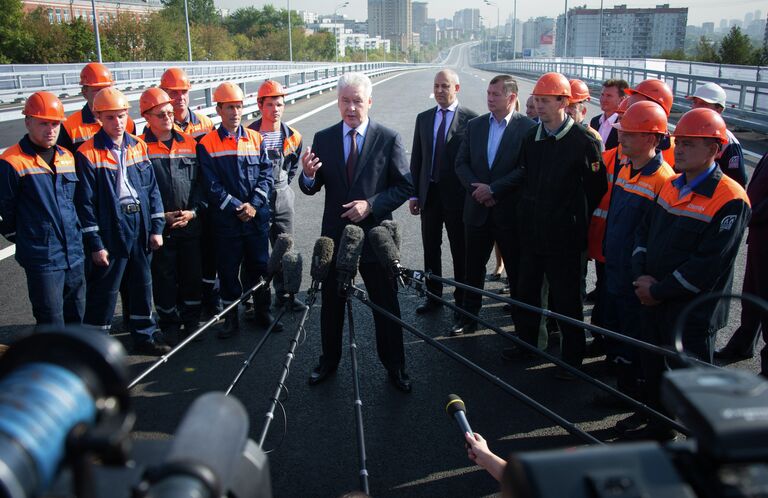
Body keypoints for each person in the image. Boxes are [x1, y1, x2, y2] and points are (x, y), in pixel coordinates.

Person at [621, 108, 751, 440]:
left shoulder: (730, 199)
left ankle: (699, 443)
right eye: (679, 143)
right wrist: (641, 277)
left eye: (690, 145)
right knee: (653, 366)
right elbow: (643, 234)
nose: (679, 150)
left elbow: (708, 264)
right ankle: (656, 423)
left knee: (692, 377)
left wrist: (658, 290)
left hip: (692, 309)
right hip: (655, 299)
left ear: (715, 150)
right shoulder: (672, 185)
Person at [300, 73, 413, 392]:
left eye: (357, 101)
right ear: (338, 102)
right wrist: (307, 176)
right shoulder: (323, 138)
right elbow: (312, 187)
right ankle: (328, 360)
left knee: (385, 304)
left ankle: (396, 366)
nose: (351, 108)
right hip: (336, 237)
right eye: (345, 101)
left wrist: (372, 205)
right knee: (332, 305)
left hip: (376, 236)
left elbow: (405, 185)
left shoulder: (388, 138)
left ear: (369, 102)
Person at [513, 72, 607, 376]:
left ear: (563, 102)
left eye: (545, 101)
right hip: (531, 236)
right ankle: (528, 344)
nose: (538, 106)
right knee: (527, 294)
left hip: (565, 239)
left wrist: (572, 217)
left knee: (567, 301)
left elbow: (597, 188)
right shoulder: (531, 138)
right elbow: (525, 179)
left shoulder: (583, 141)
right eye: (536, 100)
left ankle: (572, 357)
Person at [74, 87, 169, 354]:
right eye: (111, 118)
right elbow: (85, 204)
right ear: (99, 118)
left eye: (121, 116)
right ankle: (95, 347)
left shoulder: (137, 146)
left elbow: (151, 190)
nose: (117, 123)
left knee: (142, 283)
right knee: (105, 290)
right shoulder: (87, 153)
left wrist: (157, 228)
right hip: (110, 227)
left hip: (138, 223)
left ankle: (145, 337)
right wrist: (95, 243)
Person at [600, 101, 675, 398]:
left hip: (636, 276)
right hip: (615, 269)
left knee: (636, 338)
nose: (622, 138)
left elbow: (655, 237)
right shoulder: (627, 168)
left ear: (652, 139)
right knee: (617, 331)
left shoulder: (663, 180)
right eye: (622, 132)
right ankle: (622, 384)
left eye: (630, 133)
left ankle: (634, 396)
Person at [453, 75, 536, 336]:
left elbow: (526, 169)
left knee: (516, 271)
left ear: (511, 98)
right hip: (476, 210)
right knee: (472, 269)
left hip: (508, 213)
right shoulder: (476, 125)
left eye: (495, 94)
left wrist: (495, 189)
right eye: (488, 93)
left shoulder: (527, 128)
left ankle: (522, 328)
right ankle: (467, 318)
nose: (489, 98)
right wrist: (478, 190)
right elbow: (461, 163)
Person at [197, 82, 276, 338]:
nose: (235, 112)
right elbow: (211, 185)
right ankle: (231, 319)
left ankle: (262, 312)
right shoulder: (207, 144)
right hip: (227, 223)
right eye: (230, 107)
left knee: (260, 267)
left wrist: (253, 205)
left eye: (239, 106)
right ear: (219, 109)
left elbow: (267, 176)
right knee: (229, 272)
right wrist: (237, 207)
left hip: (255, 219)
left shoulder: (256, 138)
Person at [0, 92, 85, 328]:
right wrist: (29, 239)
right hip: (42, 256)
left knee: (76, 314)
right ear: (28, 122)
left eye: (55, 123)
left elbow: (75, 202)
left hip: (74, 252)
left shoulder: (66, 157)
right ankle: (53, 363)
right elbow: (4, 213)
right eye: (43, 123)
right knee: (50, 318)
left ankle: (73, 362)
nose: (50, 129)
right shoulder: (12, 162)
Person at [409, 69, 478, 316]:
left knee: (460, 249)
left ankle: (461, 298)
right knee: (430, 247)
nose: (439, 91)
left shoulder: (472, 120)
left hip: (457, 198)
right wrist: (414, 194)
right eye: (436, 86)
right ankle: (432, 296)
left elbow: (473, 162)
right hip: (430, 194)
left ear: (456, 88)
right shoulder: (424, 118)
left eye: (445, 86)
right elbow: (417, 159)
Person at [139, 87, 206, 343]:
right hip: (161, 227)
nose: (167, 117)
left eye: (169, 112)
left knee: (191, 274)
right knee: (164, 277)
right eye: (160, 114)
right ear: (146, 117)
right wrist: (159, 216)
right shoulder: (139, 148)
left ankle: (191, 322)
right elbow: (140, 190)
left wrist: (193, 212)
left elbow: (201, 183)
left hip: (189, 224)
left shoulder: (189, 143)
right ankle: (169, 322)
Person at [159, 67, 219, 320]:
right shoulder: (158, 127)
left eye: (183, 92)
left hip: (202, 205)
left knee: (206, 258)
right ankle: (179, 311)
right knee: (173, 267)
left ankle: (209, 301)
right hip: (174, 209)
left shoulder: (204, 124)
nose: (179, 97)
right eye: (173, 93)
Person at [247, 79, 304, 311]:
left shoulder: (293, 136)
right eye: (270, 104)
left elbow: (292, 168)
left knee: (285, 247)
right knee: (256, 251)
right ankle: (256, 299)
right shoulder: (249, 134)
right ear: (260, 105)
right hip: (256, 199)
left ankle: (286, 294)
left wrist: (282, 188)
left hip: (283, 196)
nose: (276, 109)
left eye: (279, 104)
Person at [716, 151, 768, 364]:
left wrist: (750, 213)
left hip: (763, 232)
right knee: (752, 293)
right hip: (759, 237)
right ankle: (743, 343)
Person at [59, 63, 136, 152]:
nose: (104, 94)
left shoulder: (128, 123)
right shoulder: (69, 126)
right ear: (84, 92)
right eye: (98, 90)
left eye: (107, 89)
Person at [685, 82, 747, 187]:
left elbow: (737, 184)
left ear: (719, 109)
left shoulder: (728, 142)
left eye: (703, 104)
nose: (696, 107)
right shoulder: (685, 131)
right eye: (695, 102)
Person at [624, 78, 676, 167]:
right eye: (628, 108)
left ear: (657, 109)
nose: (628, 114)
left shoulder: (677, 151)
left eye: (636, 108)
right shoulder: (626, 141)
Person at [159, 67, 215, 141]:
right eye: (174, 92)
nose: (181, 97)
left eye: (184, 91)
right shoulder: (155, 127)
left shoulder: (206, 124)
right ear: (164, 94)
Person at [589, 79, 628, 151]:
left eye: (609, 96)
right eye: (602, 94)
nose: (603, 99)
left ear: (622, 100)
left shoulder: (624, 125)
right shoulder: (595, 121)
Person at [566, 79, 603, 150]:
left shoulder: (592, 138)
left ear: (583, 111)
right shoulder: (553, 132)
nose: (566, 110)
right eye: (564, 105)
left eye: (572, 106)